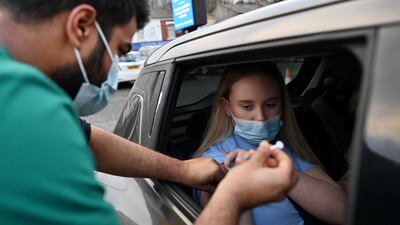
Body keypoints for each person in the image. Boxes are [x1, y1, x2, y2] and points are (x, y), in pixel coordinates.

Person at [0, 1, 298, 225]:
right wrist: (232, 198)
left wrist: (182, 170)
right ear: (81, 26)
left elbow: (84, 137)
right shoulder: (24, 105)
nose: (110, 72)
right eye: (118, 51)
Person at [194, 62, 346, 225]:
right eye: (247, 106)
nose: (261, 117)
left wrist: (277, 171)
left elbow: (343, 212)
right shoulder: (215, 161)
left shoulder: (284, 148)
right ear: (226, 107)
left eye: (270, 104)